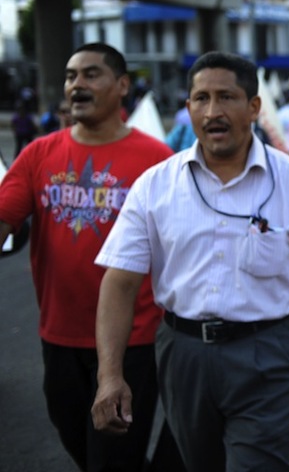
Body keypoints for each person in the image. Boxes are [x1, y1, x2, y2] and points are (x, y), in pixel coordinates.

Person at [91, 51, 289, 472]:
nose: (212, 111)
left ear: (253, 107)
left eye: (226, 97)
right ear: (188, 107)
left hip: (271, 355)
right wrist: (110, 376)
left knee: (258, 464)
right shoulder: (154, 186)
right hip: (183, 354)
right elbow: (119, 283)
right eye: (201, 98)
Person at [0, 43, 177, 472]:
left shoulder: (158, 161)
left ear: (121, 86)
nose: (76, 84)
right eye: (70, 76)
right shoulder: (38, 154)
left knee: (112, 458)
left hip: (132, 342)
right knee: (78, 439)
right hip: (57, 336)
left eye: (90, 74)